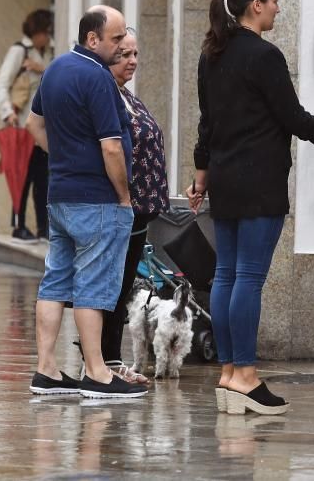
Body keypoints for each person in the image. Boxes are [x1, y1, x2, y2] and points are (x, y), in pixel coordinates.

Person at [186, 0, 314, 415]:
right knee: (247, 278)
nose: (280, 7)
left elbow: (206, 123)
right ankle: (245, 375)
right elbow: (293, 118)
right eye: (276, 0)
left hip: (224, 179)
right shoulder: (265, 56)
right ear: (256, 4)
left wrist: (201, 175)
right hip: (260, 182)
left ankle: (227, 373)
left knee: (225, 274)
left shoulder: (211, 55)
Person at [25, 5, 146, 399]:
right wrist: (124, 196)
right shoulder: (98, 78)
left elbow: (33, 124)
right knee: (93, 286)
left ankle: (46, 370)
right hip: (97, 199)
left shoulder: (56, 68)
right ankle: (97, 373)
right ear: (92, 39)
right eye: (115, 39)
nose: (120, 46)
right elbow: (112, 147)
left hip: (59, 195)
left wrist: (62, 156)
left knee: (55, 282)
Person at [98, 31, 168, 384]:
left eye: (136, 53)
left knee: (122, 287)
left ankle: (111, 358)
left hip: (139, 209)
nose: (133, 60)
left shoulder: (124, 96)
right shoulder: (105, 96)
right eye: (124, 54)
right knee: (112, 287)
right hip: (121, 208)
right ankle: (103, 362)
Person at [0, 9, 54, 242]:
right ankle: (18, 226)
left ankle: (43, 228)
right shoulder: (19, 51)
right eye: (46, 32)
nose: (48, 37)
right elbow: (0, 85)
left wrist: (42, 69)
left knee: (42, 179)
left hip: (41, 129)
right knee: (20, 178)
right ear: (37, 32)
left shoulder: (48, 53)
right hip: (20, 127)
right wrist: (8, 114)